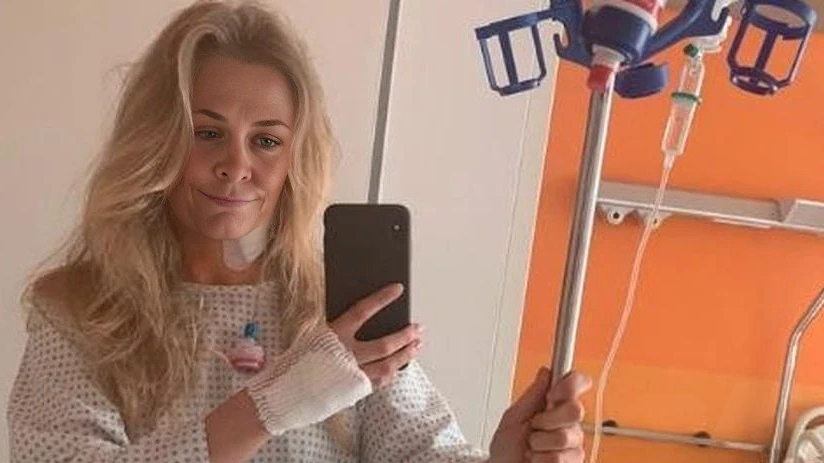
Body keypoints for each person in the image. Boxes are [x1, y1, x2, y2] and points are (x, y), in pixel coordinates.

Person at [6, 1, 591, 462]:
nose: (236, 165)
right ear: (156, 139)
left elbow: (421, 452)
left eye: (266, 140)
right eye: (207, 132)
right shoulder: (80, 312)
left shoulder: (339, 314)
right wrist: (276, 401)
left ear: (293, 160)